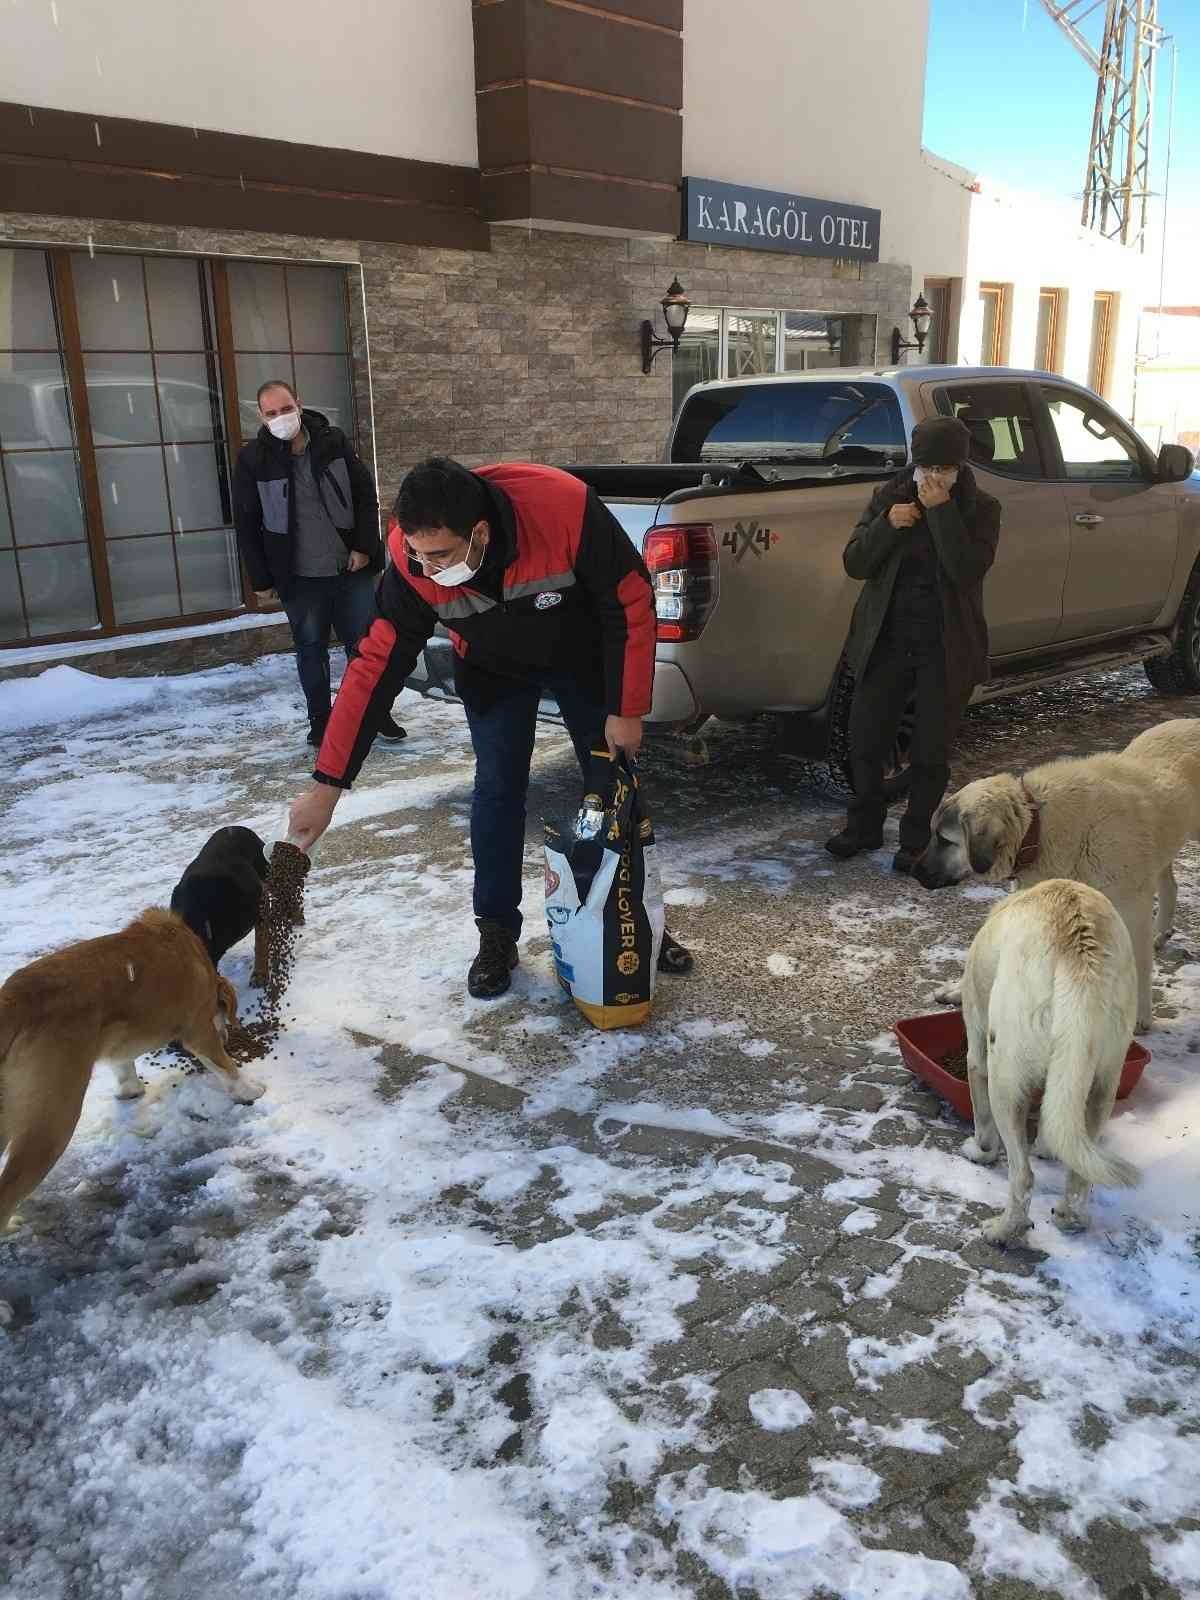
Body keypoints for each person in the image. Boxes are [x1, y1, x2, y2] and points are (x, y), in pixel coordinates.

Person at [286, 455, 693, 998]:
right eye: (415, 554)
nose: (426, 569)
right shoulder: (414, 560)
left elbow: (630, 598)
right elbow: (374, 665)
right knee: (498, 791)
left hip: (582, 655)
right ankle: (496, 932)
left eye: (439, 556)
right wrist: (327, 784)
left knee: (613, 790)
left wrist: (626, 708)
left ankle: (634, 920)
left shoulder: (560, 508)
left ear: (478, 533)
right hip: (492, 666)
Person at [825, 415, 1000, 874]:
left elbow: (965, 570)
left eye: (943, 470)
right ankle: (863, 825)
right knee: (864, 739)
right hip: (886, 639)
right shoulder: (889, 496)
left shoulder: (982, 508)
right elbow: (855, 563)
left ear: (959, 468)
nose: (932, 479)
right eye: (926, 470)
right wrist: (887, 524)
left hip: (945, 646)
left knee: (929, 751)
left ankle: (916, 837)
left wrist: (940, 510)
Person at [233, 379, 406, 749]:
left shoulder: (333, 442)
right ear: (261, 418)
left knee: (363, 647)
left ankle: (373, 714)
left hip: (350, 568)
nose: (281, 418)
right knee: (311, 649)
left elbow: (364, 497)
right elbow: (246, 523)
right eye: (271, 413)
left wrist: (363, 546)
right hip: (299, 575)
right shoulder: (253, 460)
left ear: (299, 403)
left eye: (285, 408)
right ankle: (320, 720)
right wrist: (261, 578)